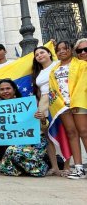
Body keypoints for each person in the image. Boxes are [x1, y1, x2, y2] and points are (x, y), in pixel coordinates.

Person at [49, 41, 87, 179]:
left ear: (71, 50)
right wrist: (59, 104)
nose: (61, 52)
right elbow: (53, 89)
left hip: (78, 103)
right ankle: (78, 168)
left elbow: (83, 83)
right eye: (58, 50)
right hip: (63, 106)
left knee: (84, 132)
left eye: (65, 49)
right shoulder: (54, 70)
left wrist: (75, 101)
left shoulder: (82, 65)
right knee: (71, 133)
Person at [0, 79, 49, 177]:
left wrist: (42, 119)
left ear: (14, 90)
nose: (5, 91)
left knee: (11, 150)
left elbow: (44, 127)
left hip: (34, 143)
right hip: (16, 144)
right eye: (2, 89)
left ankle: (40, 168)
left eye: (8, 88)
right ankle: (26, 168)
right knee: (2, 167)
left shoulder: (27, 105)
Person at [32, 46, 69, 176]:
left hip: (58, 101)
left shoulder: (58, 65)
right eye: (37, 55)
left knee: (63, 132)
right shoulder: (38, 73)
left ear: (49, 53)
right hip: (43, 102)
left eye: (42, 52)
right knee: (47, 135)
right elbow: (39, 91)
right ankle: (54, 167)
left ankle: (66, 166)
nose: (40, 55)